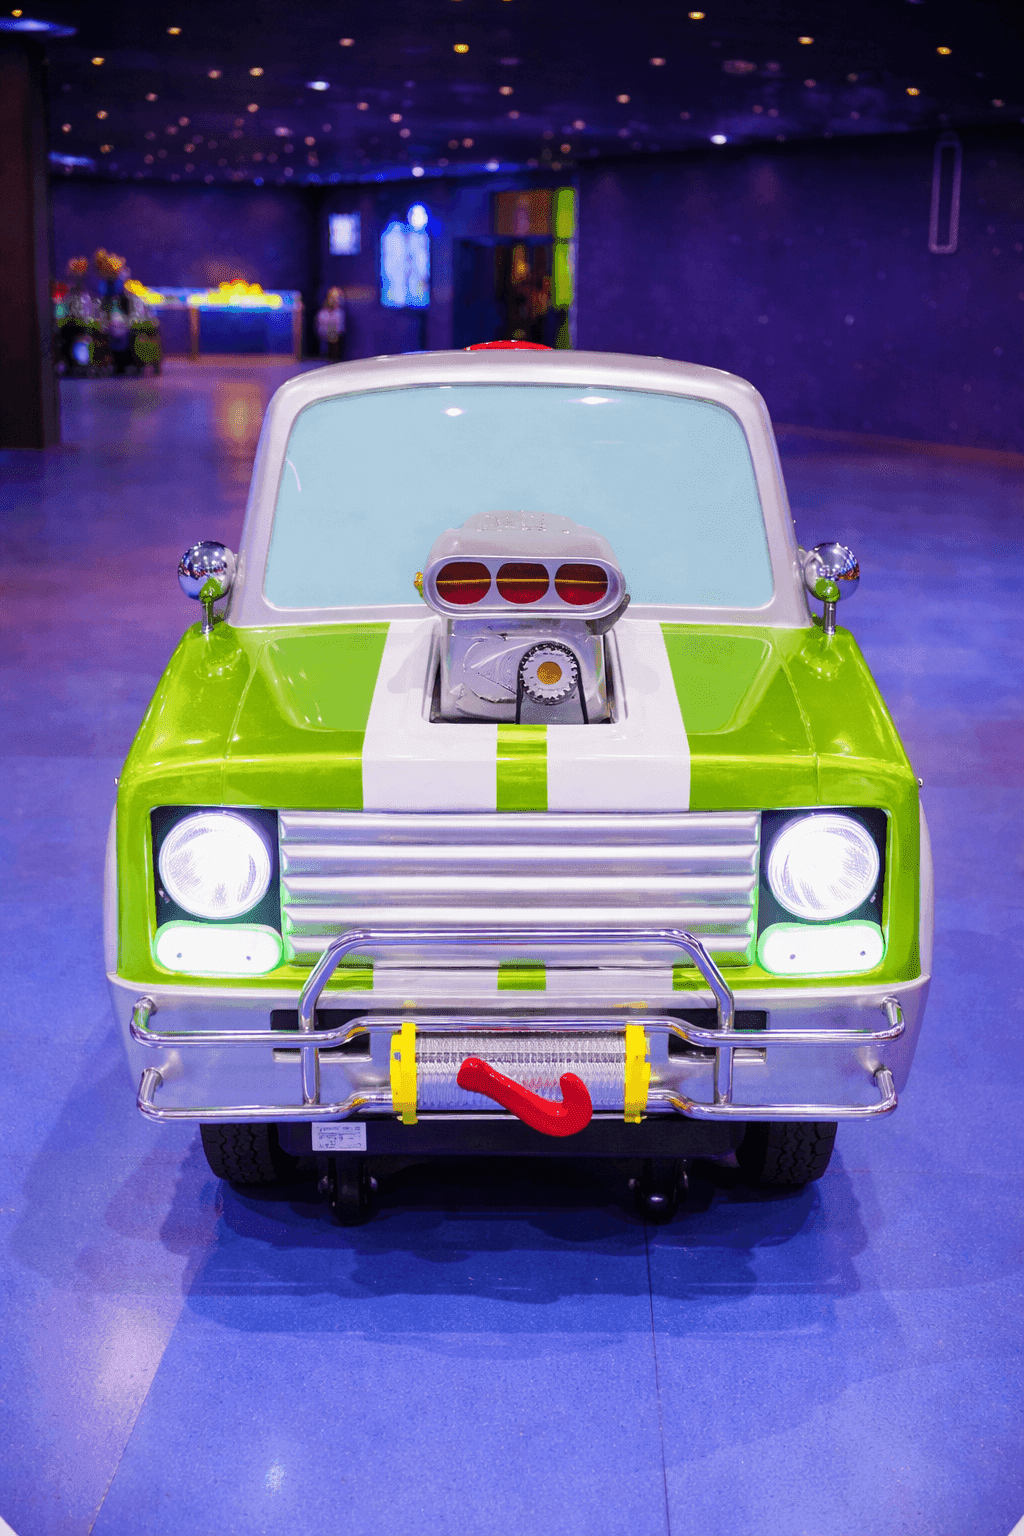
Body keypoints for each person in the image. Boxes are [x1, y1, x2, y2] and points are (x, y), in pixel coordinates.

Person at [315, 286, 346, 361]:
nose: (336, 300)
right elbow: (320, 330)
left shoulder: (340, 313)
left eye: (338, 298)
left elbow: (341, 329)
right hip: (325, 344)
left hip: (339, 345)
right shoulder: (322, 313)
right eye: (333, 298)